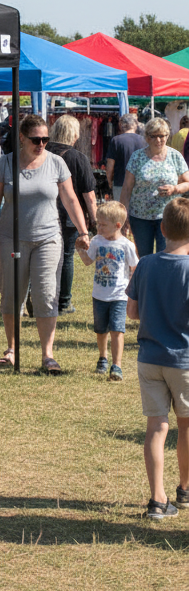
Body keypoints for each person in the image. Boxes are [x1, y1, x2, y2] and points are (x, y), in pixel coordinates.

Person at [0, 114, 91, 374]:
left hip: (48, 238)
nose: (41, 144)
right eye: (36, 139)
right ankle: (11, 349)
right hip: (11, 238)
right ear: (21, 137)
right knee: (12, 294)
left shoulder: (57, 162)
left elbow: (71, 199)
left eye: (45, 139)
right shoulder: (6, 164)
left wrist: (84, 231)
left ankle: (48, 355)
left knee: (46, 293)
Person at [125, 197, 189, 519]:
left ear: (162, 229)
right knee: (186, 425)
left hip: (149, 359)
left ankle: (157, 499)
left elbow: (132, 312)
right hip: (184, 360)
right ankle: (185, 489)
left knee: (156, 427)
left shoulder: (146, 264)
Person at [79, 200, 138, 381]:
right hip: (99, 295)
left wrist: (133, 289)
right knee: (101, 330)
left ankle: (116, 365)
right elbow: (88, 261)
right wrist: (80, 249)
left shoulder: (126, 245)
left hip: (119, 295)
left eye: (103, 225)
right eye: (98, 223)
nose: (99, 228)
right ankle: (102, 358)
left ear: (117, 226)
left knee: (117, 330)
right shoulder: (97, 241)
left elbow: (134, 267)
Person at [47, 114, 98, 315]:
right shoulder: (77, 157)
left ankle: (40, 298)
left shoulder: (42, 153)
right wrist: (94, 222)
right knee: (66, 257)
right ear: (74, 135)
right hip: (69, 214)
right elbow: (89, 196)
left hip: (44, 212)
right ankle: (64, 301)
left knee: (42, 256)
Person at [120, 117, 189, 257]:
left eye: (162, 136)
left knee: (167, 255)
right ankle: (147, 279)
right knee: (144, 257)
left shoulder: (175, 156)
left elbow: (187, 182)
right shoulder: (137, 157)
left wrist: (174, 189)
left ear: (167, 136)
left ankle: (163, 279)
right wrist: (123, 215)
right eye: (153, 136)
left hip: (168, 215)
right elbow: (127, 189)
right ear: (147, 137)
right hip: (140, 217)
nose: (158, 140)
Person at [106, 113, 146, 201]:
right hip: (139, 184)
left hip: (120, 183)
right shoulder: (144, 140)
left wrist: (109, 181)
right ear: (135, 125)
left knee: (121, 212)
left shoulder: (116, 141)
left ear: (121, 125)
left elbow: (110, 165)